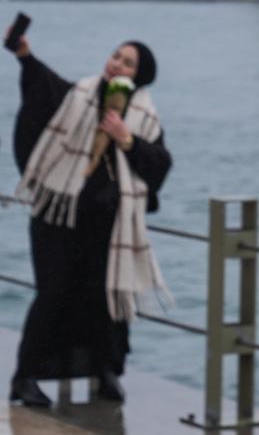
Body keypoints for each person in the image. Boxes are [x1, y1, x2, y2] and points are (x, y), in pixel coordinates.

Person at [6, 29, 172, 407]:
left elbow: (159, 165)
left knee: (105, 300)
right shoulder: (78, 95)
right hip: (57, 217)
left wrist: (126, 139)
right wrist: (25, 56)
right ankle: (24, 377)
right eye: (116, 56)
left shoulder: (144, 116)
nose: (117, 64)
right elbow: (43, 89)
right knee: (52, 295)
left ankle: (105, 371)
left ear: (140, 76)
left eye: (128, 63)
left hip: (107, 224)